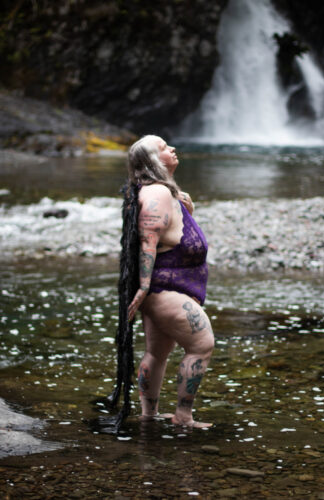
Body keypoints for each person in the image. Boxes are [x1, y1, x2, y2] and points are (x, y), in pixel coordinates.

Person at [127, 135, 214, 428]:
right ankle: (183, 417)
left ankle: (147, 417)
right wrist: (142, 287)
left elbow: (166, 235)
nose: (172, 148)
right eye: (163, 148)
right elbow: (147, 240)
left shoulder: (166, 193)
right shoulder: (156, 195)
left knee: (157, 352)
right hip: (164, 289)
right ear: (151, 161)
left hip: (168, 288)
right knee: (202, 344)